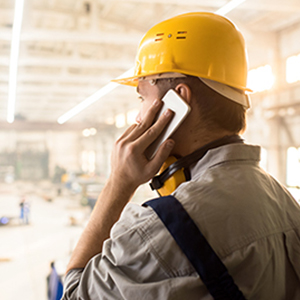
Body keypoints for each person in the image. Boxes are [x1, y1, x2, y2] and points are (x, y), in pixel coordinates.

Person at [62, 12, 300, 299]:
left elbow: (74, 293)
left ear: (178, 101)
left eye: (142, 98)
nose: (139, 116)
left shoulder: (161, 231)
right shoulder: (282, 201)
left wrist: (119, 183)